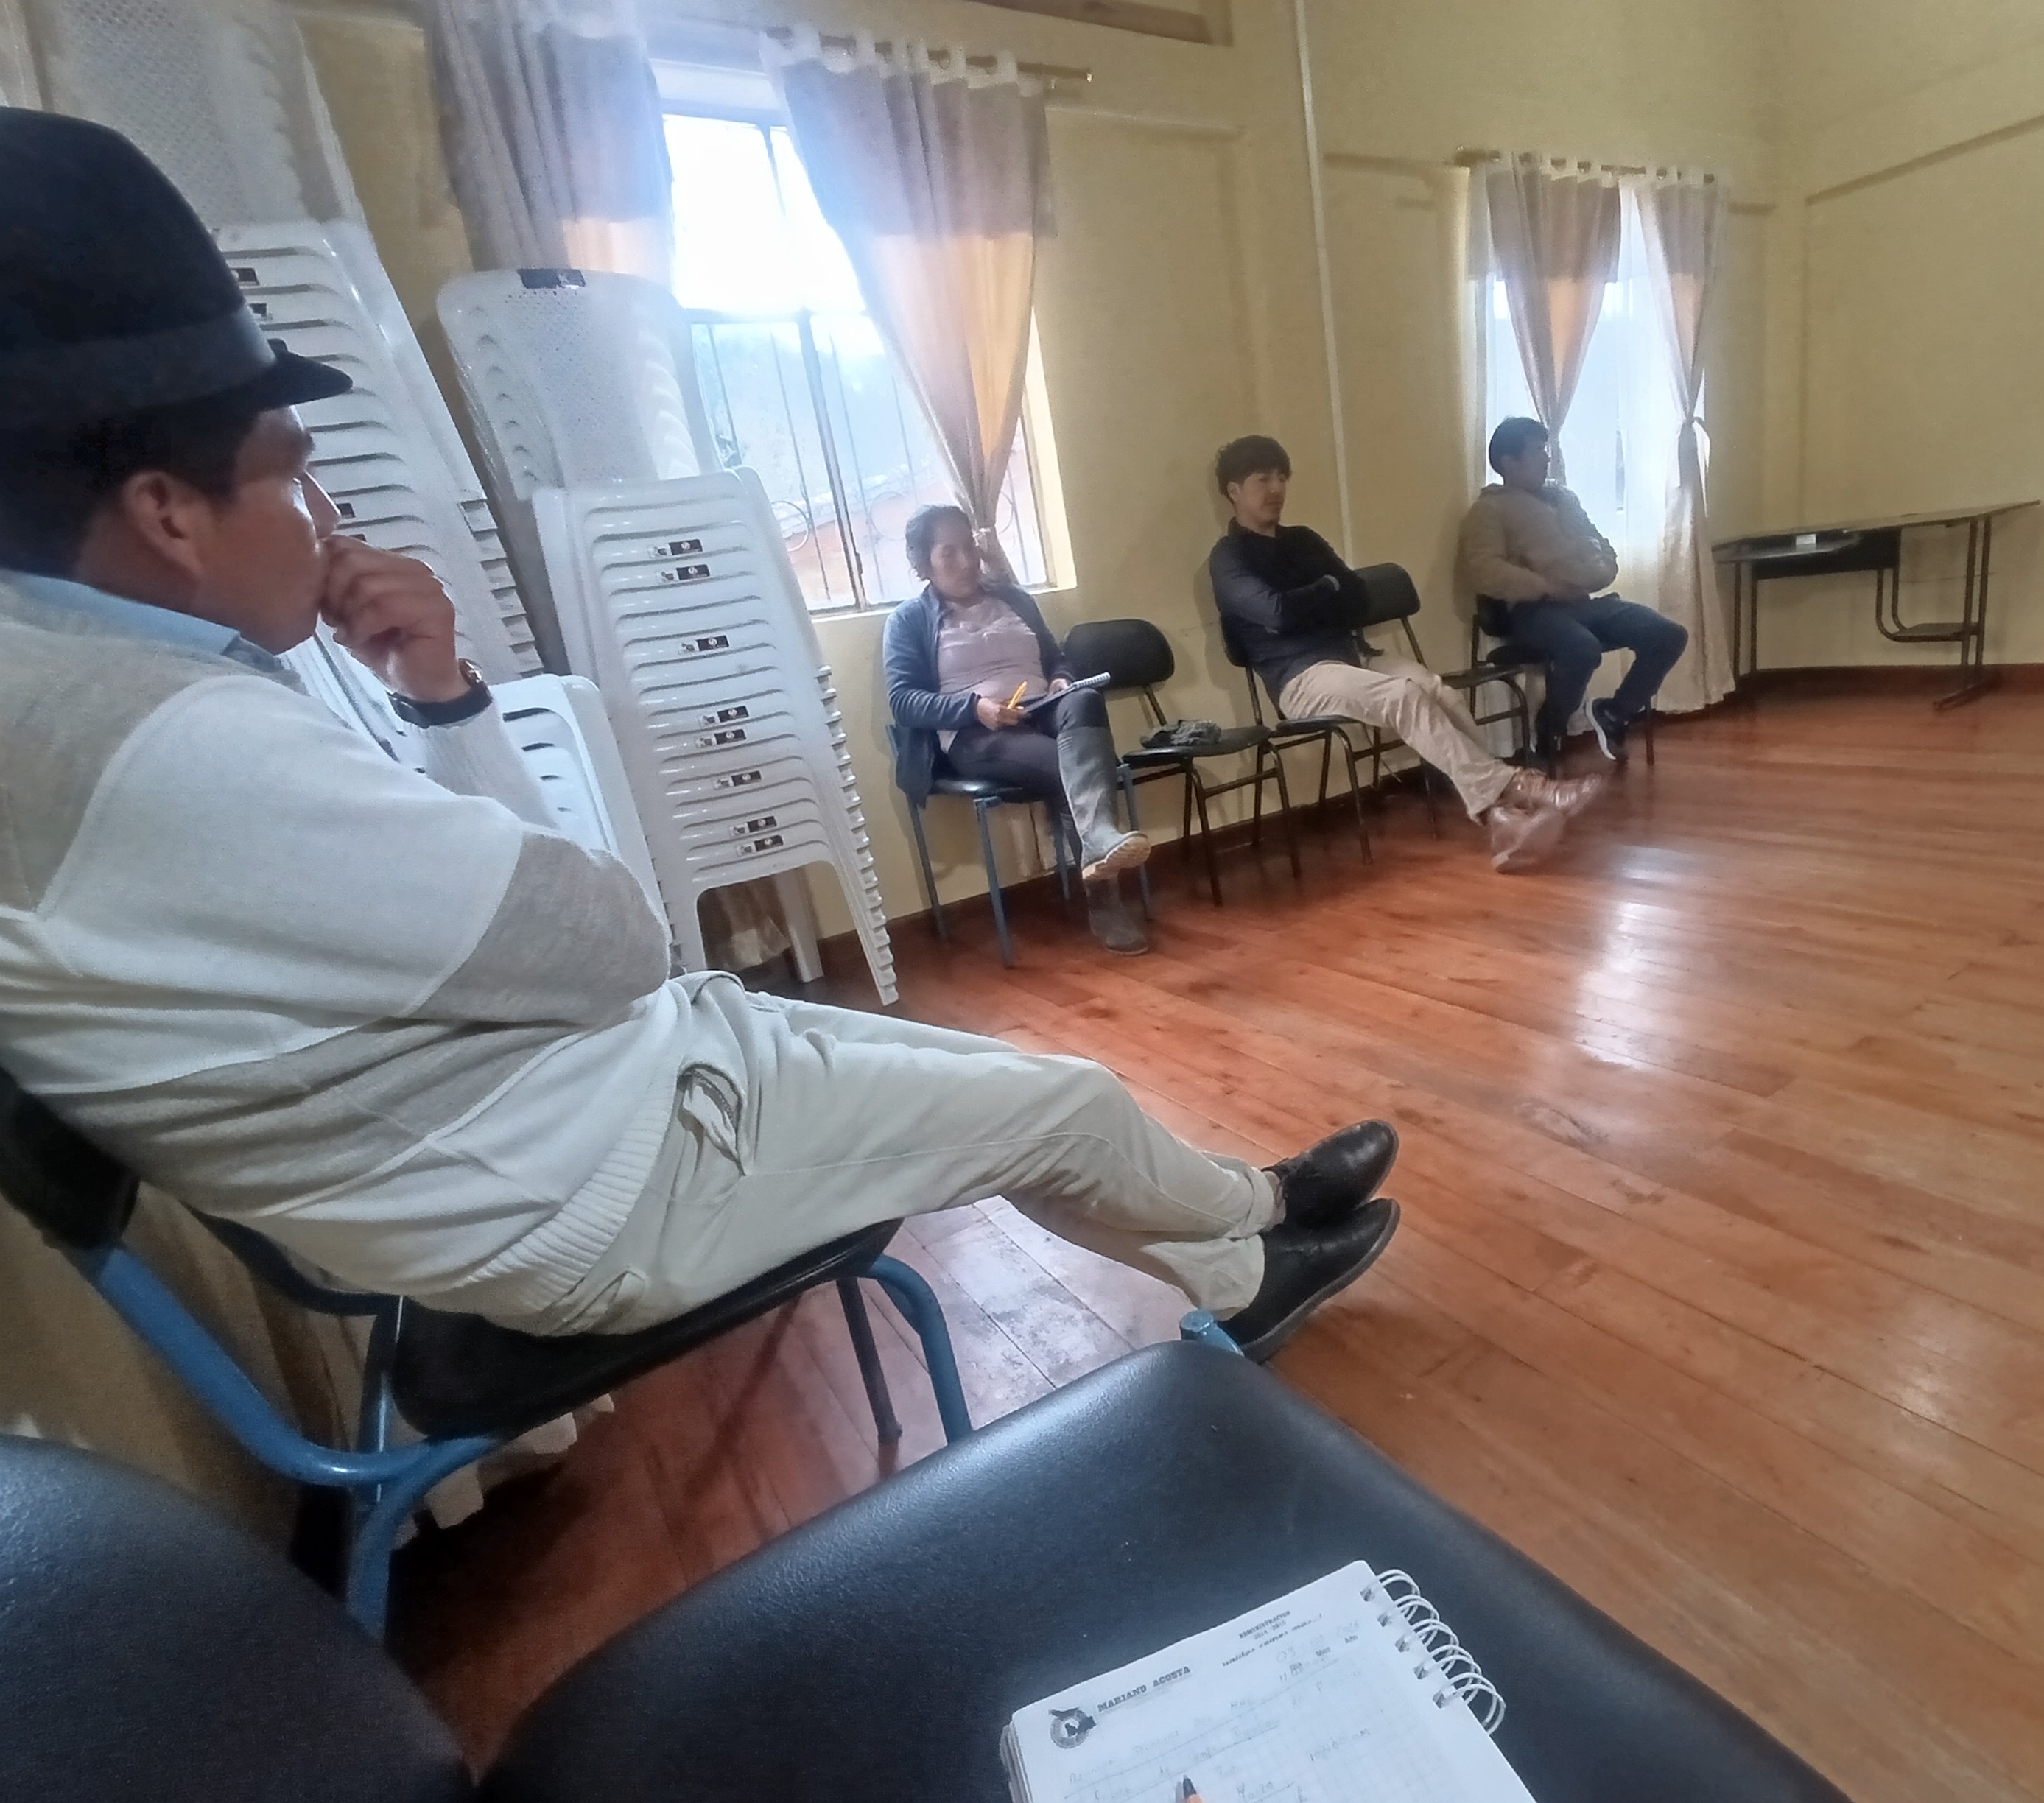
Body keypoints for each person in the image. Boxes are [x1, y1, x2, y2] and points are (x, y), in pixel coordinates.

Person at [0, 108, 1399, 1365]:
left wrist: (439, 692)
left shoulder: (78, 684)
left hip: (590, 1100)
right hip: (601, 1183)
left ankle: (1246, 1255)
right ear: (167, 511)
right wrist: (494, 817)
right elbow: (613, 939)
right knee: (1065, 1103)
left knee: (1046, 1087)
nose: (326, 519)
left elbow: (544, 937)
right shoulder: (163, 744)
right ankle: (1258, 1212)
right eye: (292, 476)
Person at [1207, 435, 1599, 873]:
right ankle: (1524, 790)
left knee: (1439, 692)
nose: (1276, 488)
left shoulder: (1303, 540)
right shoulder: (1228, 558)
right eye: (1263, 479)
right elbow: (1276, 613)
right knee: (1404, 696)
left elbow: (1358, 599)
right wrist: (1325, 589)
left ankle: (1503, 816)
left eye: (1282, 478)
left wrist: (1316, 598)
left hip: (1354, 656)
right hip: (1300, 678)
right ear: (1234, 490)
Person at [884, 505, 1151, 956]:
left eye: (970, 548)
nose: (967, 561)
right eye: (949, 552)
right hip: (976, 734)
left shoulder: (1014, 599)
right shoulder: (909, 620)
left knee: (1085, 698)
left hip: (1043, 708)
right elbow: (904, 701)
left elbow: (1056, 657)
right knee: (1067, 766)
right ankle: (1105, 895)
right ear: (922, 563)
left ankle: (1099, 841)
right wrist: (974, 708)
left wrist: (1062, 678)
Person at [1458, 416, 1690, 763]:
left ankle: (1614, 713)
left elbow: (1599, 545)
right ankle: (1550, 728)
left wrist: (1601, 570)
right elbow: (1484, 571)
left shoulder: (1565, 499)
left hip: (1584, 603)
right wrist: (1546, 587)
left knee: (1668, 634)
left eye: (1546, 449)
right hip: (1533, 612)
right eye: (1538, 451)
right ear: (1509, 462)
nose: (1547, 458)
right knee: (1583, 648)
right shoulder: (1489, 509)